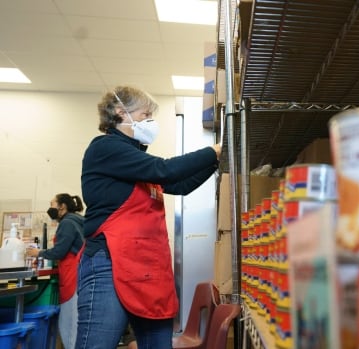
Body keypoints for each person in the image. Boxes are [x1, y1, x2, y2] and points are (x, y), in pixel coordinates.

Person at [77, 85, 221, 349]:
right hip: (112, 263)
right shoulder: (106, 148)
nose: (149, 123)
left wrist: (215, 163)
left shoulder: (135, 160)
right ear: (121, 113)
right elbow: (164, 170)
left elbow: (179, 185)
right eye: (145, 116)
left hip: (148, 268)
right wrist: (213, 151)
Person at [26, 193, 85, 349]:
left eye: (52, 204)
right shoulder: (78, 220)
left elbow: (59, 251)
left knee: (69, 325)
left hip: (73, 277)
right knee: (75, 324)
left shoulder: (68, 223)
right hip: (79, 275)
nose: (50, 208)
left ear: (62, 206)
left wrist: (38, 253)